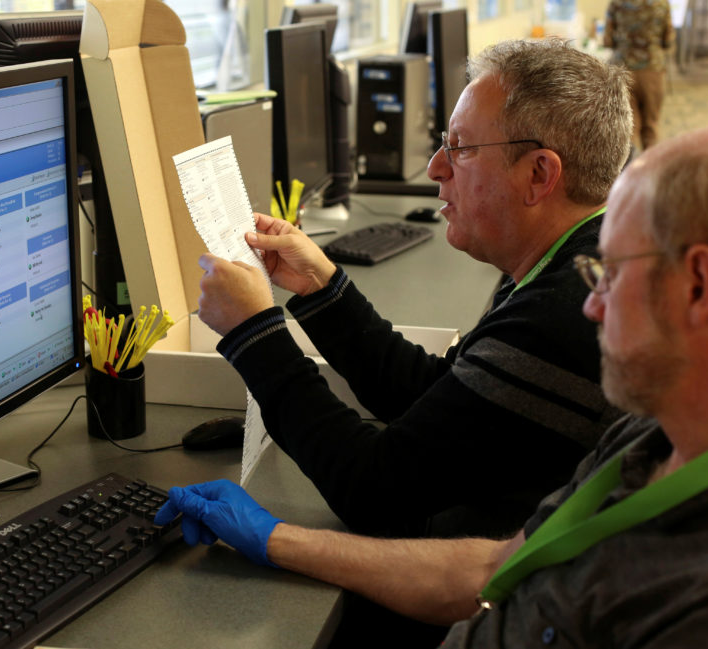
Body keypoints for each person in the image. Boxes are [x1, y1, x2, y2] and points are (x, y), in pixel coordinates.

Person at [157, 123, 708, 646]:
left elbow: (379, 487)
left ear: (698, 284)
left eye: (609, 274)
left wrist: (258, 334)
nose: (592, 308)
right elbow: (493, 563)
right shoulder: (649, 437)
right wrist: (278, 539)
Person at [194, 38, 630, 646]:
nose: (435, 168)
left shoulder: (564, 314)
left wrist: (253, 335)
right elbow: (436, 396)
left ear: (539, 174)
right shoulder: (576, 257)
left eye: (460, 148)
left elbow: (377, 490)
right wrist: (321, 286)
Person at [604, 0, 674, 151]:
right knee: (651, 126)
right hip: (652, 70)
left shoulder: (617, 3)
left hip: (621, 70)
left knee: (626, 129)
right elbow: (668, 40)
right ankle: (649, 171)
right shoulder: (662, 3)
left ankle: (627, 171)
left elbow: (607, 40)